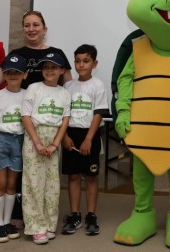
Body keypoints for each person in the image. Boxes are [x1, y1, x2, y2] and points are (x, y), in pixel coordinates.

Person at [0, 10, 73, 229]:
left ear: (44, 28)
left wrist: (65, 130)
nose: (31, 29)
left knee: (40, 174)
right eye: (27, 25)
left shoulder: (57, 53)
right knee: (15, 171)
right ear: (23, 28)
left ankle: (39, 214)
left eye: (36, 25)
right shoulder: (17, 53)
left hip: (47, 124)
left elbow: (69, 88)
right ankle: (15, 214)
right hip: (17, 122)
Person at [20, 53, 71, 245]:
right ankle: (36, 227)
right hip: (35, 137)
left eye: (54, 67)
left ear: (62, 71)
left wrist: (55, 144)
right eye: (46, 67)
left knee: (52, 185)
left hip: (53, 140)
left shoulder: (65, 93)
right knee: (33, 183)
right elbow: (25, 116)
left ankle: (49, 224)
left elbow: (65, 120)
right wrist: (38, 143)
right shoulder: (34, 88)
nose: (49, 70)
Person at [60, 44, 109, 236]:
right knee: (72, 176)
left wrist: (89, 139)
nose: (81, 65)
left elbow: (98, 114)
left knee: (91, 176)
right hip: (70, 134)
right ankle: (75, 214)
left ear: (94, 63)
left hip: (90, 135)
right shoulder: (67, 86)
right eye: (78, 61)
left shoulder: (98, 85)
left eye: (86, 61)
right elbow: (63, 114)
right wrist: (64, 136)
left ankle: (90, 215)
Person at [0, 53, 28, 243]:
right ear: (3, 73)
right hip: (0, 142)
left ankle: (8, 221)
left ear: (24, 75)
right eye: (8, 72)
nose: (12, 75)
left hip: (19, 142)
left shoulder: (28, 95)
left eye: (17, 72)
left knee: (12, 185)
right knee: (0, 184)